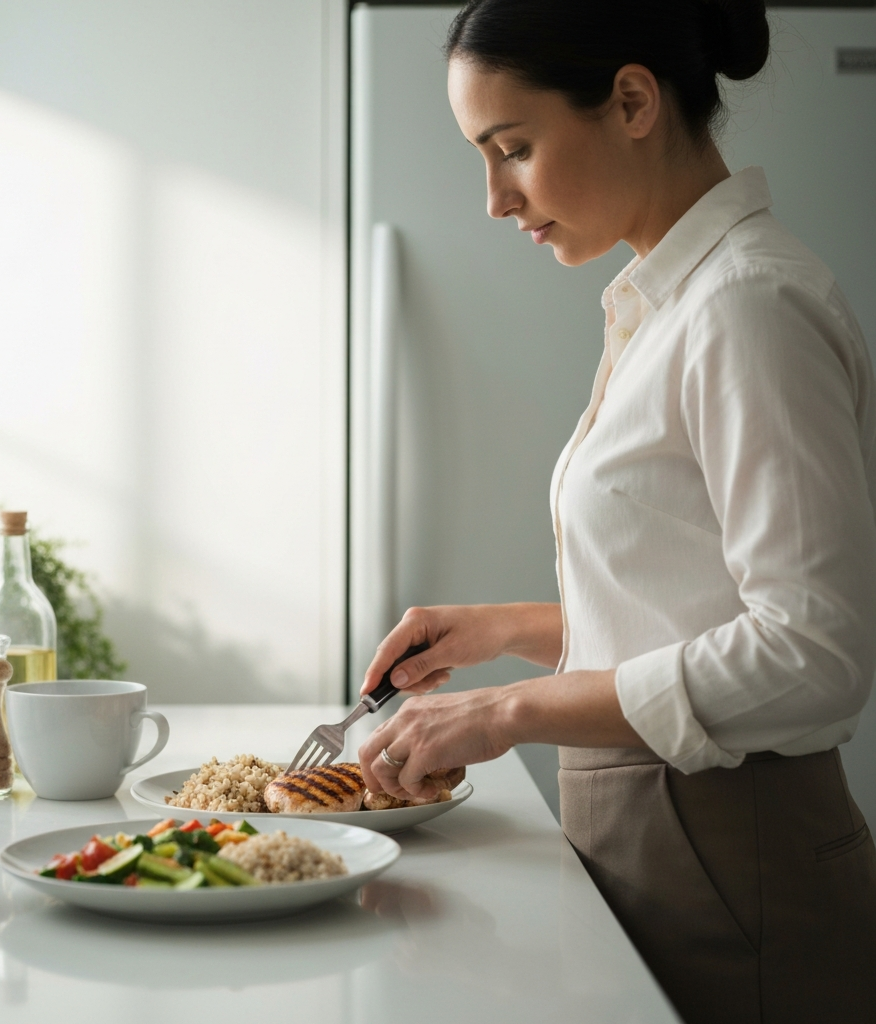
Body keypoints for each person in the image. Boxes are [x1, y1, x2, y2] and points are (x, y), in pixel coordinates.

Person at [356, 2, 876, 1021]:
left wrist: (502, 711)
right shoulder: (670, 304)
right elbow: (702, 597)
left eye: (513, 149)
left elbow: (813, 650)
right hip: (666, 840)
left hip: (737, 857)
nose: (496, 199)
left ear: (631, 100)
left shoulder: (745, 308)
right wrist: (509, 631)